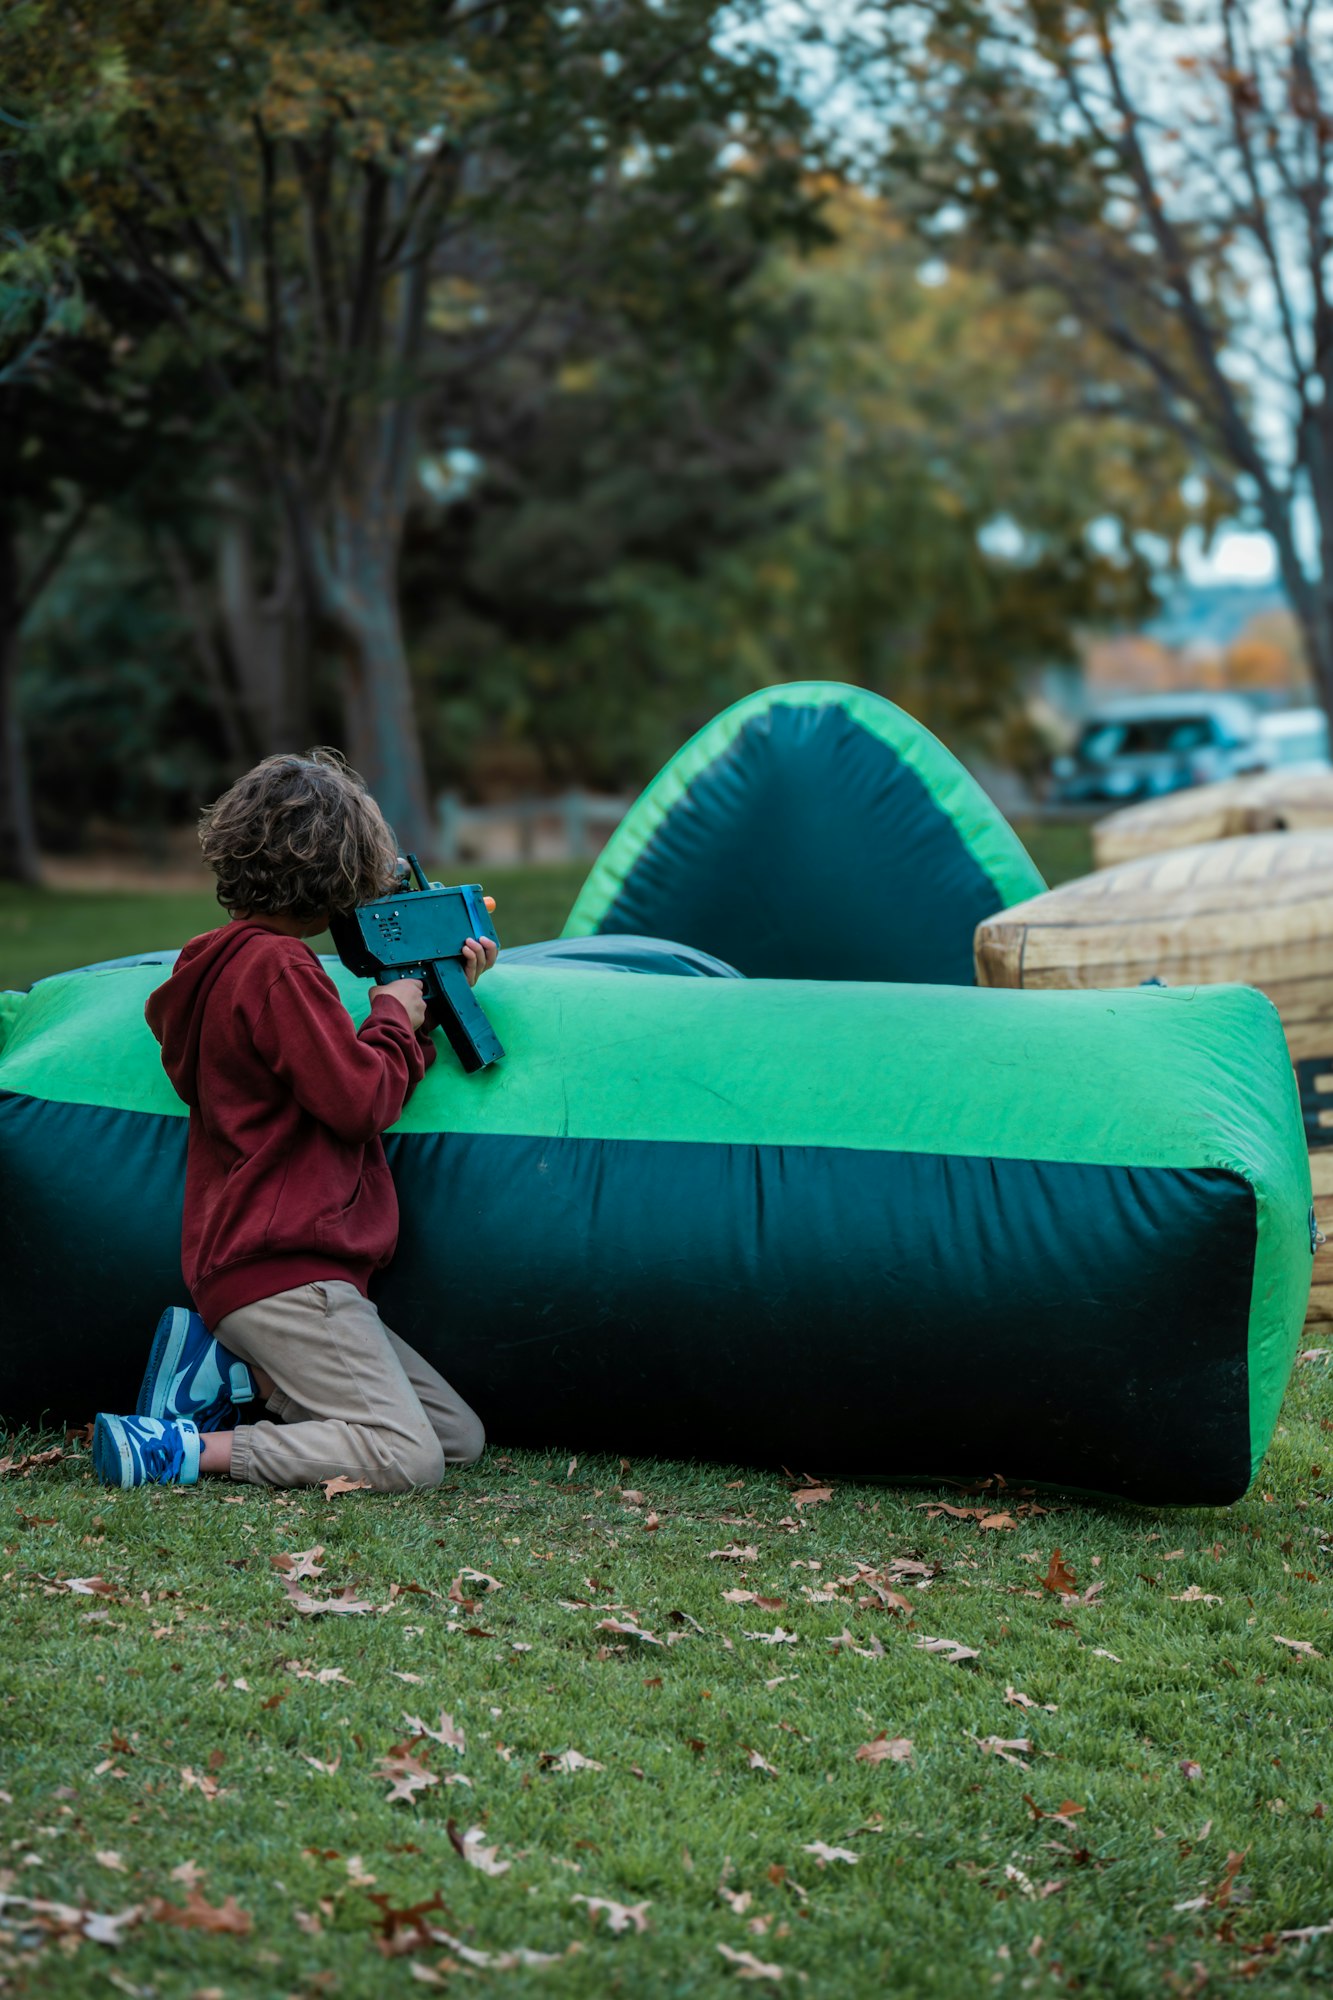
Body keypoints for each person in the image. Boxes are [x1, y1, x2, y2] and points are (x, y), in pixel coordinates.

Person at [90, 749, 493, 1491]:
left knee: (454, 1435)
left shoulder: (215, 966)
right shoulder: (278, 968)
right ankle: (176, 1447)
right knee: (408, 1458)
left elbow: (341, 1076)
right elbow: (358, 1100)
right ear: (336, 881)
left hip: (266, 1271)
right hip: (287, 1276)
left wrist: (421, 1017)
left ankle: (240, 1383)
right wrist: (390, 1012)